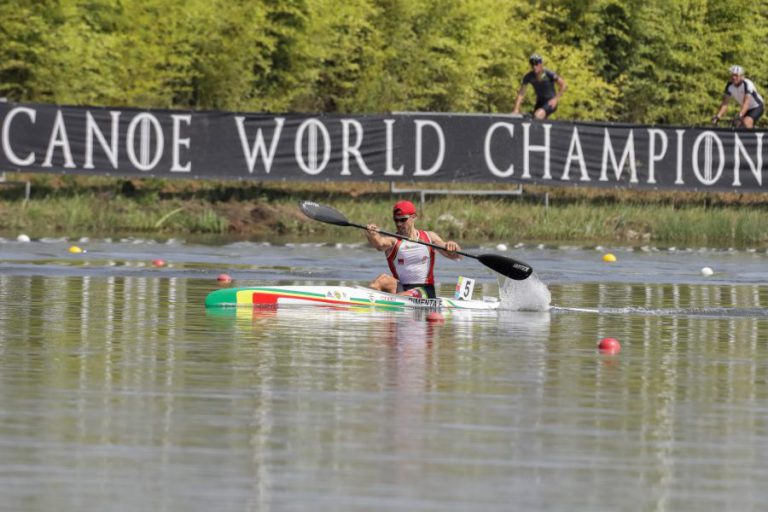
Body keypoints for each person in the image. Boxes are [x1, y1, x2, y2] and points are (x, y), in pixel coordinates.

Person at [365, 200, 462, 299]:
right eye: (396, 220)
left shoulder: (429, 237)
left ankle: (392, 300)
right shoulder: (393, 241)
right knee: (382, 279)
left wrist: (453, 246)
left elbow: (457, 255)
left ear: (414, 217)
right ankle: (366, 300)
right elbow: (379, 243)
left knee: (409, 294)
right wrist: (372, 235)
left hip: (425, 291)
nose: (399, 224)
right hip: (402, 288)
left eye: (403, 220)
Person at [512, 53, 567, 120]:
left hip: (550, 102)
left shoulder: (548, 73)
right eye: (532, 64)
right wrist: (516, 108)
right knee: (533, 120)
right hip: (539, 102)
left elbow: (563, 85)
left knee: (537, 116)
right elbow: (521, 93)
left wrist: (555, 99)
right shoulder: (528, 76)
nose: (534, 67)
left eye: (536, 64)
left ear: (541, 64)